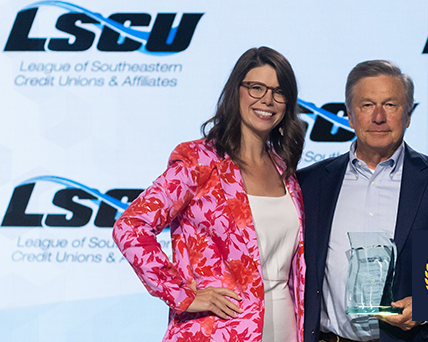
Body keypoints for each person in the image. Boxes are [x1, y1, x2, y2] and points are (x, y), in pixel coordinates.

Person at [114, 47, 308, 342]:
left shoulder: (285, 169)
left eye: (278, 91)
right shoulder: (199, 161)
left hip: (284, 328)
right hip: (215, 331)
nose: (267, 100)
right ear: (236, 91)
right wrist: (181, 294)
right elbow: (130, 226)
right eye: (256, 87)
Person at [298, 60, 428, 342]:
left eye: (391, 105)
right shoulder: (310, 184)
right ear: (349, 115)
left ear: (408, 115)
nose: (378, 117)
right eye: (367, 105)